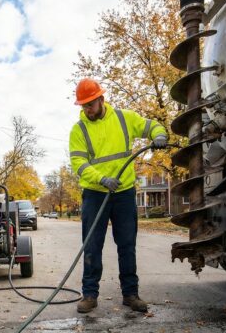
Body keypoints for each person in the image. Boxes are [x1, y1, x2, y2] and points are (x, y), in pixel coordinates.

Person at [68, 78, 168, 313]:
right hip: (95, 193)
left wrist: (159, 135)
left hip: (123, 193)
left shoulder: (124, 118)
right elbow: (78, 162)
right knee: (92, 245)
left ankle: (130, 294)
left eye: (90, 104)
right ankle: (90, 295)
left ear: (101, 99)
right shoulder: (79, 129)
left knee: (127, 244)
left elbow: (151, 125)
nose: (87, 110)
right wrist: (101, 179)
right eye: (83, 106)